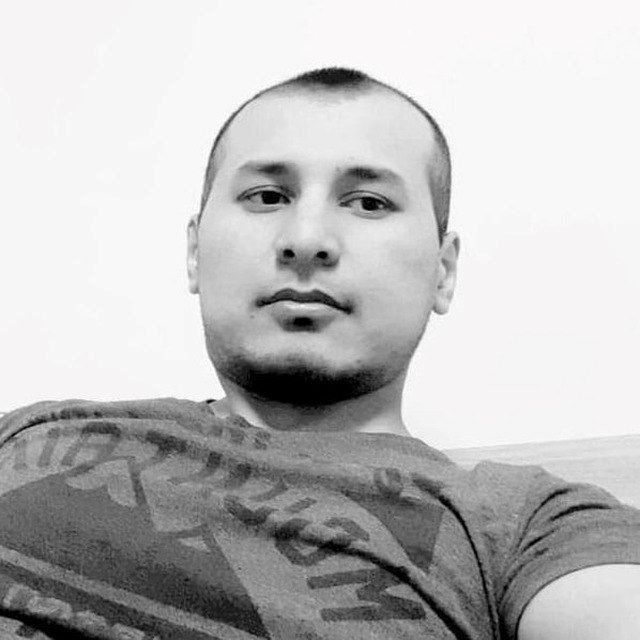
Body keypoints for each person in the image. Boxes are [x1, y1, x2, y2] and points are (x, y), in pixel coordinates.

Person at [0, 67, 639, 640]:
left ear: (443, 272)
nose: (306, 239)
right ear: (194, 252)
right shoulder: (35, 430)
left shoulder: (526, 527)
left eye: (369, 203)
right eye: (267, 196)